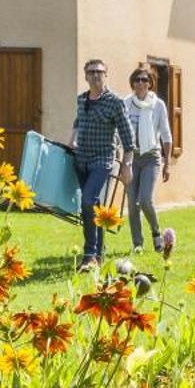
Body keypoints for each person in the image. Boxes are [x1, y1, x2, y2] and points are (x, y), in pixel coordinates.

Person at [69, 58, 134, 270]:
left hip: (102, 160)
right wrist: (72, 140)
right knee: (92, 206)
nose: (96, 75)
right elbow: (78, 121)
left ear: (106, 75)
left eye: (99, 72)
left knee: (88, 201)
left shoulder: (115, 102)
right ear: (86, 76)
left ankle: (89, 254)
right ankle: (97, 254)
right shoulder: (81, 100)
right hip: (81, 160)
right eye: (91, 72)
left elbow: (127, 135)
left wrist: (127, 164)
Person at [122, 66, 173, 254]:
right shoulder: (126, 103)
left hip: (151, 156)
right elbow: (119, 130)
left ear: (150, 83)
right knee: (132, 203)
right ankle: (138, 244)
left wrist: (167, 163)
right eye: (137, 80)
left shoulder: (158, 105)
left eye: (144, 80)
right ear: (132, 83)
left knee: (144, 200)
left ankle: (156, 231)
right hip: (131, 156)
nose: (141, 83)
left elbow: (166, 135)